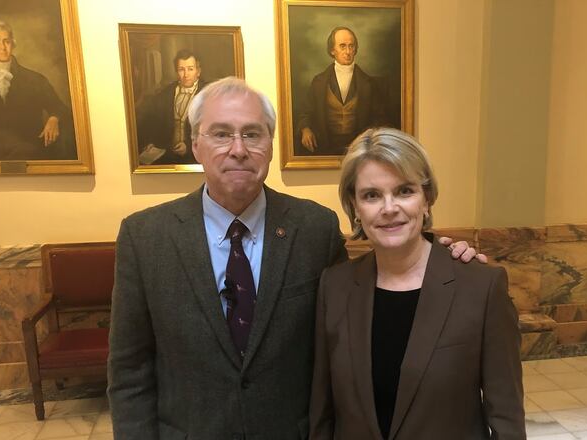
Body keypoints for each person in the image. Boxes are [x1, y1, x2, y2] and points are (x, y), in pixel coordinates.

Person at [108, 77, 481, 439]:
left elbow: (352, 330)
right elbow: (129, 372)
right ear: (195, 145)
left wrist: (440, 256)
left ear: (270, 144)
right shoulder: (145, 238)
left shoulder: (314, 229)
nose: (238, 149)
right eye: (221, 134)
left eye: (253, 133)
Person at [309, 128, 525, 439]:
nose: (389, 208)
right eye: (371, 195)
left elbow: (507, 418)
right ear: (355, 208)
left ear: (427, 200)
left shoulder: (481, 288)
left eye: (404, 191)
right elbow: (323, 411)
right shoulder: (335, 287)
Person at [0, 18, 74, 161]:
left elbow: (59, 107)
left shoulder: (35, 79)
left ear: (13, 44)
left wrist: (54, 118)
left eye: (7, 41)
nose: (3, 47)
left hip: (33, 146)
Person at [298, 26, 390, 156]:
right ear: (332, 50)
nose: (348, 51)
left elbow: (379, 119)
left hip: (358, 148)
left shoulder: (369, 84)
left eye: (351, 46)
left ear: (355, 49)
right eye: (342, 46)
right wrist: (305, 129)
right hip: (325, 145)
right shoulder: (318, 82)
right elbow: (305, 112)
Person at [135, 49, 207, 165]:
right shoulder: (166, 93)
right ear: (176, 72)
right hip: (167, 155)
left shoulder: (207, 94)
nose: (186, 74)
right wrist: (150, 142)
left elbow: (212, 130)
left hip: (195, 157)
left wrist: (188, 146)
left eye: (190, 69)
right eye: (181, 69)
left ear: (198, 71)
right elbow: (152, 121)